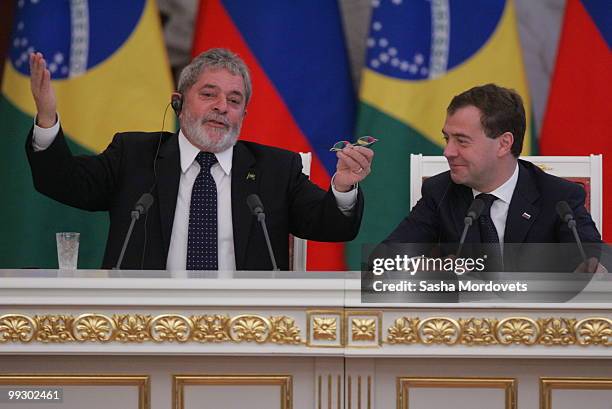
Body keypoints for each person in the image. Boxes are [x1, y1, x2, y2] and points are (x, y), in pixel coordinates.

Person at [26, 48, 374, 270]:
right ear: (179, 102)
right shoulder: (133, 156)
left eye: (234, 100)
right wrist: (46, 120)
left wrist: (342, 187)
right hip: (142, 323)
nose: (222, 106)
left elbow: (331, 226)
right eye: (209, 94)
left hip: (249, 328)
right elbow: (62, 181)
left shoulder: (275, 170)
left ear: (243, 115)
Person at [383, 83, 602, 272]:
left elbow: (595, 260)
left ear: (504, 144)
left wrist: (594, 271)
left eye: (461, 141)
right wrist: (431, 268)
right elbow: (383, 260)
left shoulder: (558, 197)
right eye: (447, 138)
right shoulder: (440, 192)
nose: (447, 151)